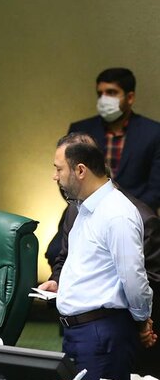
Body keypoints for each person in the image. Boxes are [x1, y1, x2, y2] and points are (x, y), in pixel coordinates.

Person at [39, 133, 155, 380]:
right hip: (78, 333)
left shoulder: (117, 214)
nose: (55, 176)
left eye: (59, 168)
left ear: (80, 170)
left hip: (101, 335)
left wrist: (141, 321)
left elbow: (134, 279)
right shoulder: (82, 209)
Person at [46, 68, 160, 266]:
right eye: (100, 93)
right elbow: (67, 179)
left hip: (133, 217)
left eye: (112, 92)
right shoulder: (81, 130)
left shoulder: (153, 133)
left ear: (130, 97)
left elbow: (155, 190)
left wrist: (120, 212)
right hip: (85, 212)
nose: (104, 99)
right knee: (56, 252)